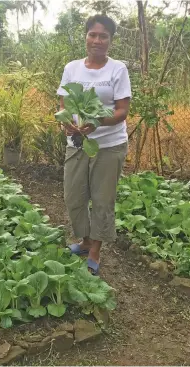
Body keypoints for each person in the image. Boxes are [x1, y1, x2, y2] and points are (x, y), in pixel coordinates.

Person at [57, 14, 131, 275]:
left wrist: (98, 122)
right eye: (93, 34)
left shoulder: (117, 69)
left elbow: (122, 111)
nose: (97, 40)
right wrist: (66, 122)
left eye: (103, 36)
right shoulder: (72, 68)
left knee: (102, 200)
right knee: (74, 196)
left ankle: (95, 249)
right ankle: (85, 240)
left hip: (109, 145)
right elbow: (63, 103)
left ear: (110, 40)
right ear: (86, 36)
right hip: (77, 142)